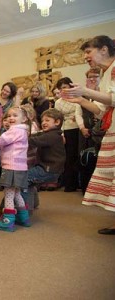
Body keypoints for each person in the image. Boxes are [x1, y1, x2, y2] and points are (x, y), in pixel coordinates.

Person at [61, 35, 115, 235]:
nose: (85, 56)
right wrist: (81, 101)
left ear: (103, 49)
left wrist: (86, 92)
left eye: (88, 51)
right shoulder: (108, 72)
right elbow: (102, 110)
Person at [22, 108, 66, 212]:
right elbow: (36, 135)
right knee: (31, 182)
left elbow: (34, 140)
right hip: (49, 169)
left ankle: (25, 210)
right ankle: (34, 203)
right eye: (42, 121)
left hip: (48, 169)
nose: (43, 123)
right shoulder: (51, 134)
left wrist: (17, 137)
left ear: (57, 122)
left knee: (23, 179)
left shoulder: (52, 136)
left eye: (47, 120)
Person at [54, 77, 82, 192]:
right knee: (68, 157)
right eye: (60, 89)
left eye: (65, 87)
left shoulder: (78, 98)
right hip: (66, 131)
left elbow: (79, 114)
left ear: (70, 87)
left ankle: (80, 183)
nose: (63, 90)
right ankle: (70, 184)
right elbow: (58, 119)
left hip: (79, 129)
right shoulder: (58, 102)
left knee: (78, 155)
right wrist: (61, 134)